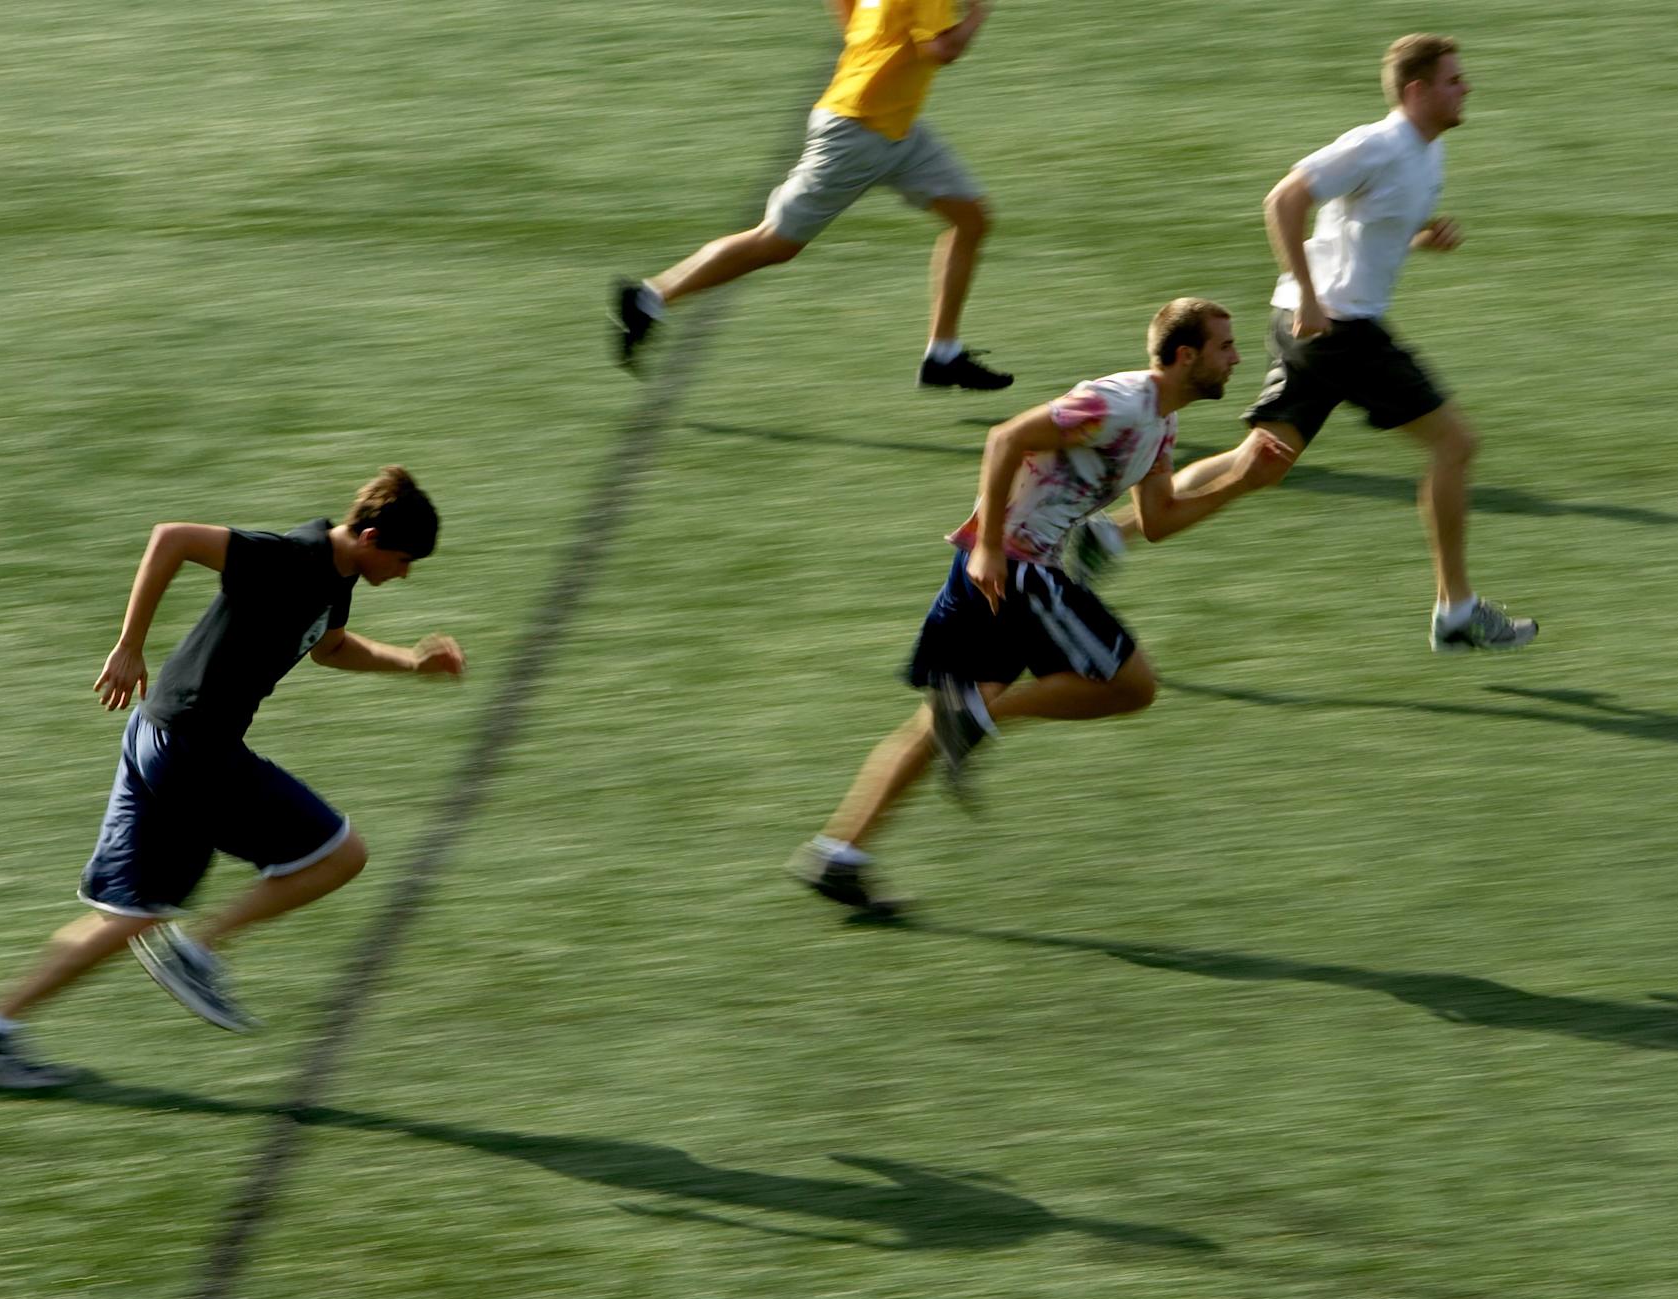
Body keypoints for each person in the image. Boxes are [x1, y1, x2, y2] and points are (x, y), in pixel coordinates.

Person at [0, 467, 467, 1088]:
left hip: (156, 734)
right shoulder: (291, 557)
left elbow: (331, 647)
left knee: (132, 914)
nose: (405, 574)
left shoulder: (336, 577)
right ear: (372, 538)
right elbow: (173, 538)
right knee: (340, 854)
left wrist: (412, 662)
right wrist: (129, 644)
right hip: (193, 747)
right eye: (404, 561)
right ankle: (201, 950)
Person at [791, 298, 1297, 915]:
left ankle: (839, 852)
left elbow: (1158, 520)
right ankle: (979, 717)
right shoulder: (1116, 405)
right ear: (1186, 356)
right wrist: (991, 549)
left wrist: (1241, 483)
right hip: (1017, 568)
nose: (1238, 357)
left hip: (1008, 571)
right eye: (1226, 347)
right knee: (1132, 685)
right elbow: (1006, 437)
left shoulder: (1160, 424)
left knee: (934, 723)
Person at [1102, 33, 1536, 652]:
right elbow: (1283, 200)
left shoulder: (1426, 153)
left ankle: (1111, 535)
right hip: (1336, 329)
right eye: (1453, 80)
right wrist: (1308, 296)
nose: (1466, 87)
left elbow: (1361, 234)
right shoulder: (1376, 144)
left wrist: (1418, 241)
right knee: (1456, 444)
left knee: (1262, 462)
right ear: (1417, 92)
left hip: (1323, 326)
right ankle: (1456, 610)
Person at [613, 0, 1013, 391]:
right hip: (856, 134)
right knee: (773, 242)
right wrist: (978, 12)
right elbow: (942, 49)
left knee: (971, 218)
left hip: (896, 126)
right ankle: (650, 298)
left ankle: (942, 354)